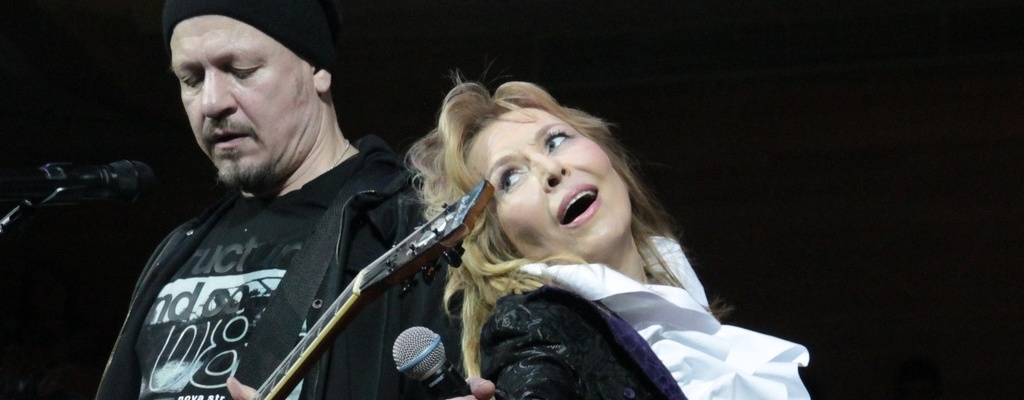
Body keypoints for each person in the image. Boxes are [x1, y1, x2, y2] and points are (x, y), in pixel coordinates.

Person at [95, 1, 459, 399]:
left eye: (240, 70)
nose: (212, 102)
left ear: (317, 69)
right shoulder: (176, 250)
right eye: (192, 79)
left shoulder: (411, 229)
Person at [407, 80, 812, 399]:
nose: (551, 169)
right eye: (510, 177)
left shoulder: (685, 304)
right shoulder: (534, 328)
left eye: (556, 140)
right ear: (500, 243)